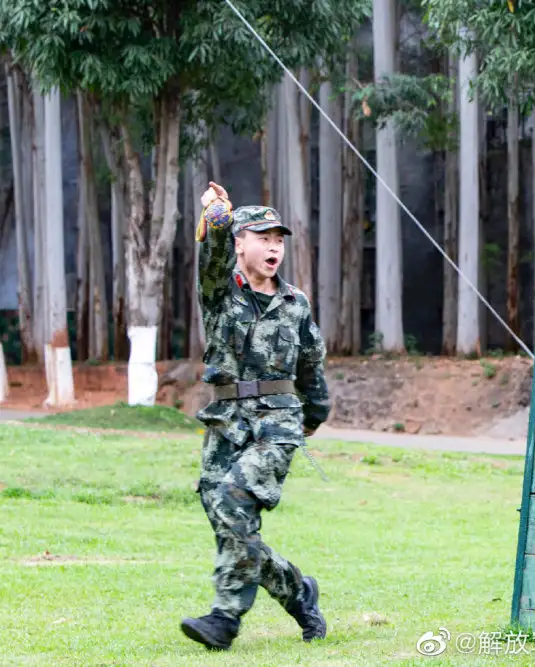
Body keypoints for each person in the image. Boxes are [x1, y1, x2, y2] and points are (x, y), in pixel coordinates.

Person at [180, 181, 331, 650]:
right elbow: (211, 256)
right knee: (228, 520)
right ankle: (300, 593)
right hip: (226, 419)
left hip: (277, 421)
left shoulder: (296, 302)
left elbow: (312, 360)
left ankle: (224, 619)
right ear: (241, 244)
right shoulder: (220, 291)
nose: (273, 247)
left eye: (279, 239)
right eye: (263, 237)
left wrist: (315, 414)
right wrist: (219, 217)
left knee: (232, 501)